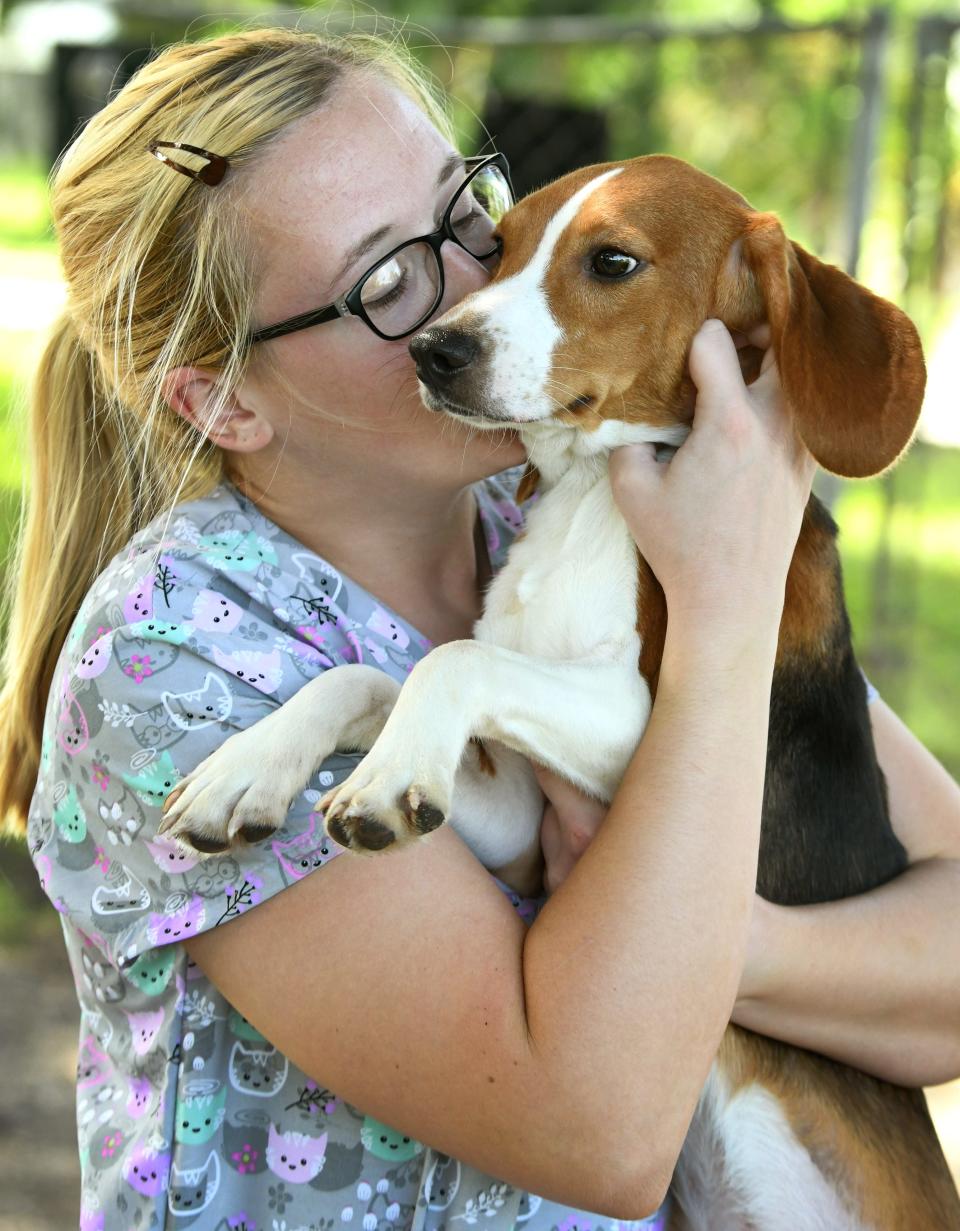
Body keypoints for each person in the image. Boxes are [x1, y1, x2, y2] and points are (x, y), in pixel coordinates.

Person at [1, 25, 957, 1231]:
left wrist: (738, 940)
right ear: (223, 399)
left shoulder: (570, 505)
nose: (478, 292)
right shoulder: (177, 653)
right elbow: (601, 1132)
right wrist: (722, 609)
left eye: (471, 217)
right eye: (387, 280)